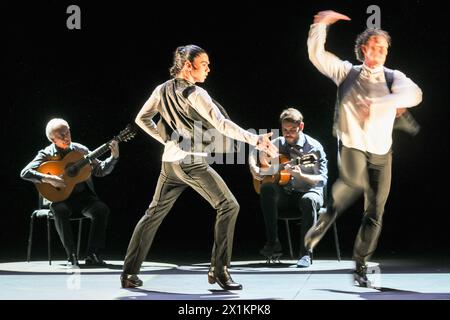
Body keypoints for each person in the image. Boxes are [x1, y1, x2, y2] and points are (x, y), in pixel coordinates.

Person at [120, 44, 278, 290]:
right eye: (203, 64)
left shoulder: (161, 89)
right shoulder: (196, 93)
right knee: (229, 206)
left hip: (169, 163)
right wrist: (255, 139)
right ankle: (219, 270)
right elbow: (222, 124)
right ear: (187, 66)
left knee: (152, 215)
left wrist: (166, 140)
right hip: (190, 162)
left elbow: (142, 118)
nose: (208, 69)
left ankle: (129, 274)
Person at [304, 10, 423, 286]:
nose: (381, 51)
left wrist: (382, 103)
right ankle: (325, 218)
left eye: (384, 48)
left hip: (382, 151)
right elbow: (317, 56)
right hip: (353, 145)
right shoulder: (346, 71)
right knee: (353, 182)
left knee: (375, 211)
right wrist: (320, 25)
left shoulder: (394, 77)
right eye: (375, 46)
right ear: (362, 49)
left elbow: (416, 94)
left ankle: (360, 264)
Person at [21, 118, 119, 266]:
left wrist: (114, 157)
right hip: (61, 199)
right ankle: (71, 256)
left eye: (68, 132)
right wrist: (48, 178)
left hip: (83, 198)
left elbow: (100, 170)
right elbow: (25, 172)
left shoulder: (81, 150)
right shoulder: (46, 154)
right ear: (52, 139)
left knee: (101, 209)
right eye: (61, 136)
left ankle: (92, 254)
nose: (67, 137)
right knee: (59, 209)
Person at [249, 108, 327, 267]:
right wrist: (254, 167)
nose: (288, 133)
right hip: (286, 194)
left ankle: (305, 253)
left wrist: (302, 176)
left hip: (310, 192)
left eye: (293, 130)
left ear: (301, 127)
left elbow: (322, 179)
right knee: (266, 189)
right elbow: (254, 152)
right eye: (285, 130)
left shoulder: (313, 148)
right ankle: (273, 243)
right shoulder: (278, 143)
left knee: (308, 200)